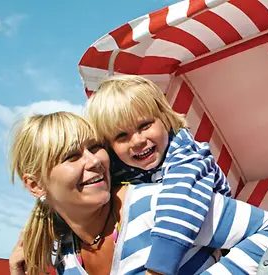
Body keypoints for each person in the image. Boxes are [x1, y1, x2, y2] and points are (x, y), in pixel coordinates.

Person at [8, 112, 268, 275]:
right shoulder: (64, 257)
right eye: (71, 157)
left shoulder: (158, 204)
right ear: (35, 185)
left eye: (95, 147)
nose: (94, 161)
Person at [84, 75, 233, 275]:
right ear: (109, 145)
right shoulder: (121, 167)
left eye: (144, 125)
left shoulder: (188, 156)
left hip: (217, 244)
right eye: (121, 136)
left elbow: (181, 203)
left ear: (164, 118)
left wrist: (157, 270)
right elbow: (78, 194)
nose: (137, 141)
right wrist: (44, 220)